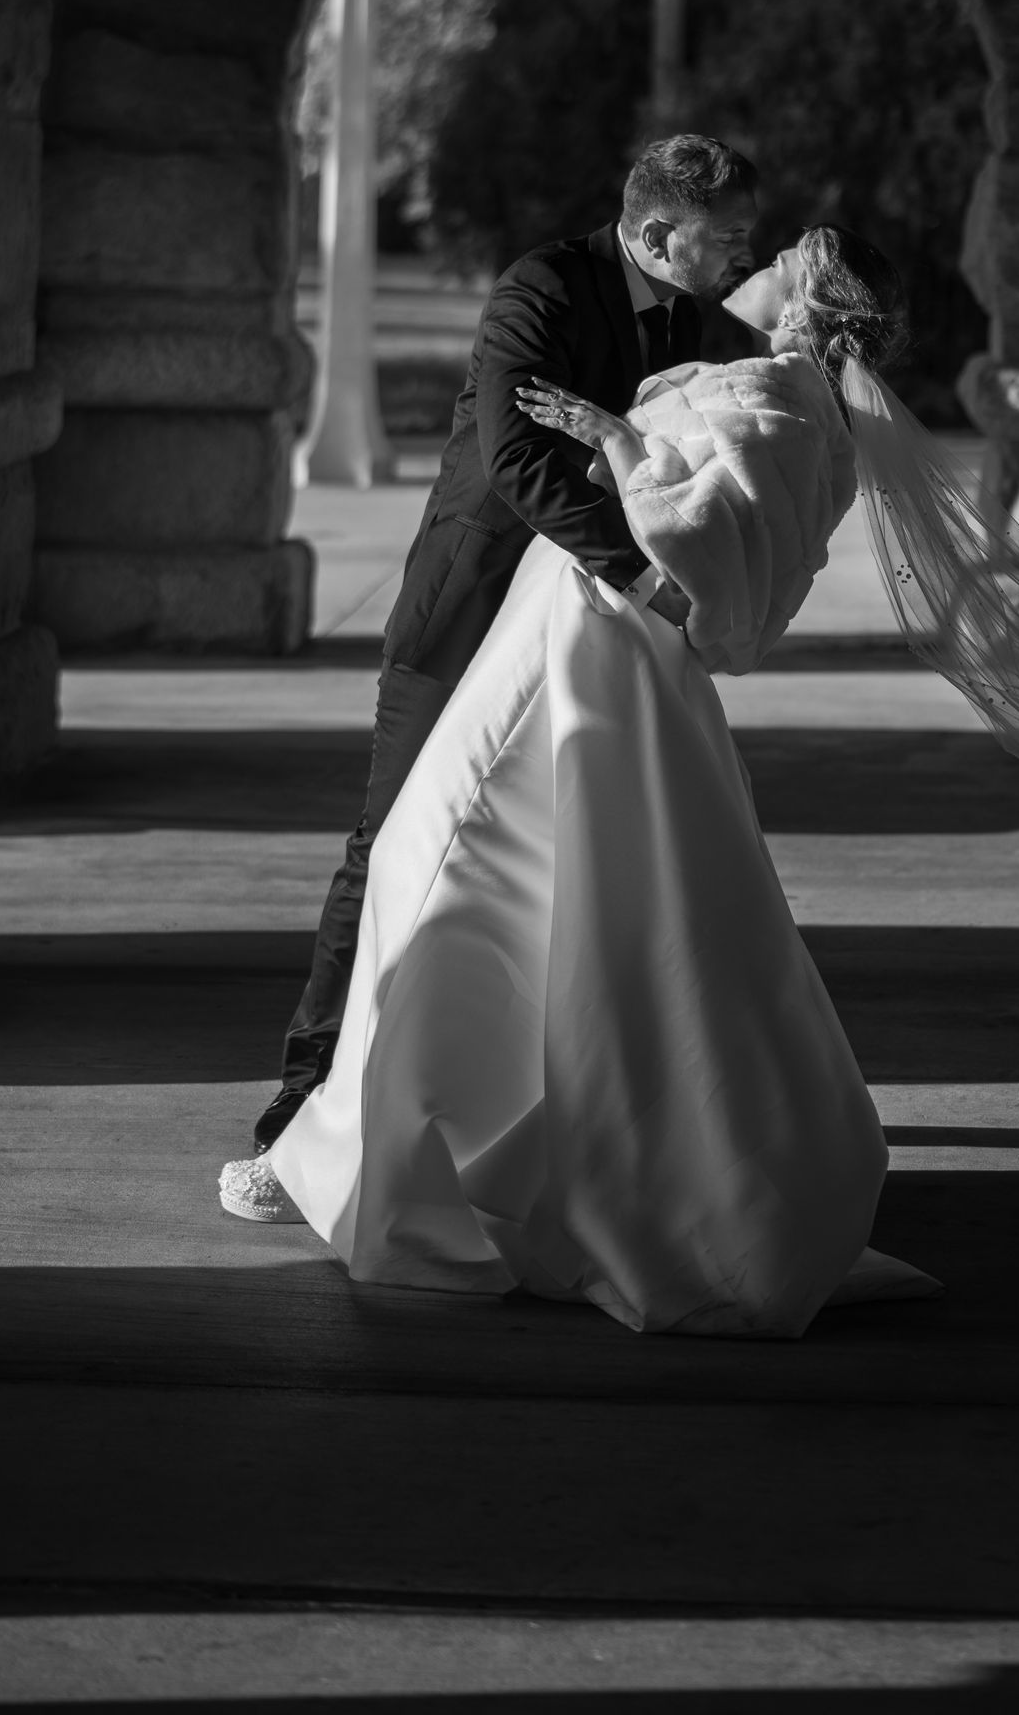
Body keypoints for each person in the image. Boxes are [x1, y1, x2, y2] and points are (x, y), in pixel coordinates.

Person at [222, 221, 938, 1337]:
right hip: (564, 636)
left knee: (446, 868)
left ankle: (377, 1162)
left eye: (782, 256)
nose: (752, 261)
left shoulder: (780, 396)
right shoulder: (791, 396)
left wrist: (615, 436)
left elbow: (720, 553)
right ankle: (438, 1141)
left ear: (807, 302)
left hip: (591, 648)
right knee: (545, 898)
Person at [250, 135, 765, 1156]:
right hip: (472, 603)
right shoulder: (543, 287)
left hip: (586, 642)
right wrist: (651, 576)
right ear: (656, 233)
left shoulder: (709, 322)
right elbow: (519, 457)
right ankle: (308, 1091)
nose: (744, 256)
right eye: (728, 238)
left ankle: (542, 1098)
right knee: (391, 837)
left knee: (569, 859)